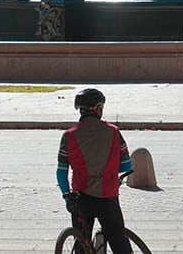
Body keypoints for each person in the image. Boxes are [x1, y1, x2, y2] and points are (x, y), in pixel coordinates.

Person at [57, 88, 133, 254]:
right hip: (107, 197)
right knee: (120, 245)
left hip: (81, 198)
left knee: (81, 245)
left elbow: (61, 172)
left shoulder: (68, 136)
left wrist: (66, 195)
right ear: (99, 109)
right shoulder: (113, 132)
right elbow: (127, 165)